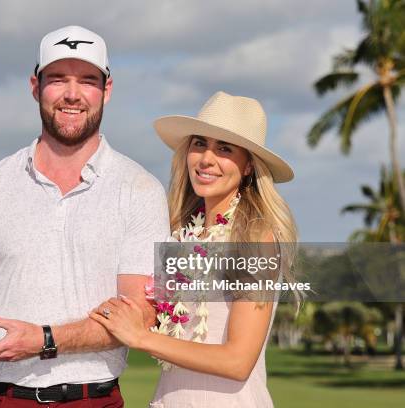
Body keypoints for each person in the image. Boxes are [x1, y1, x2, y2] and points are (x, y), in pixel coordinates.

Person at [0, 25, 169, 407]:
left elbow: (139, 313)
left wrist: (44, 339)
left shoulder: (141, 189)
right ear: (36, 86)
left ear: (107, 89)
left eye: (88, 80)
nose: (72, 94)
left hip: (93, 399)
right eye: (58, 79)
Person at [90, 91, 298, 407]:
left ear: (247, 167)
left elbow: (238, 361)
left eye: (224, 149)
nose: (206, 159)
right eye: (199, 143)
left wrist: (141, 338)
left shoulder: (256, 238)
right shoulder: (180, 235)